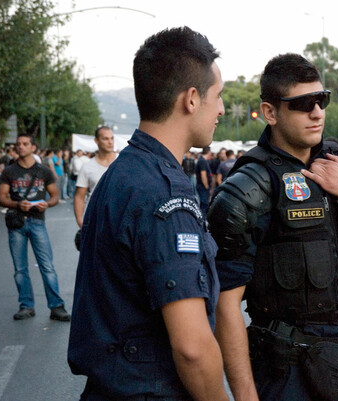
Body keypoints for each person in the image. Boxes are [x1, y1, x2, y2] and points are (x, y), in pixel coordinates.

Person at [207, 53, 338, 401]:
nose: (317, 112)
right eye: (302, 104)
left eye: (321, 100)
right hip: (284, 370)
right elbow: (226, 306)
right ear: (270, 112)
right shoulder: (249, 187)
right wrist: (246, 396)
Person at [67, 27, 228, 401]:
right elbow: (192, 348)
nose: (221, 108)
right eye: (218, 96)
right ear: (191, 99)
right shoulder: (163, 192)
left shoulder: (122, 173)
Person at [0, 133, 71, 321]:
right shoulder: (9, 171)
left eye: (25, 144)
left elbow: (54, 194)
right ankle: (26, 306)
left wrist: (48, 203)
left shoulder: (44, 171)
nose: (21, 147)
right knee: (20, 268)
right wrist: (16, 204)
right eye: (18, 144)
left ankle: (56, 306)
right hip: (17, 223)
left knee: (47, 266)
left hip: (38, 221)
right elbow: (2, 197)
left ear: (33, 148)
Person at [73, 126, 116, 229]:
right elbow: (79, 197)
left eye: (112, 138)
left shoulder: (123, 162)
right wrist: (80, 221)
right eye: (105, 138)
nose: (110, 142)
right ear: (96, 140)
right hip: (95, 220)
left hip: (118, 220)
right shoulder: (87, 166)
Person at [195, 146, 212, 214]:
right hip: (202, 186)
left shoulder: (202, 160)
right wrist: (206, 186)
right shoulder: (202, 161)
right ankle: (202, 221)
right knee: (204, 205)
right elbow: (203, 175)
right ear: (208, 152)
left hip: (201, 185)